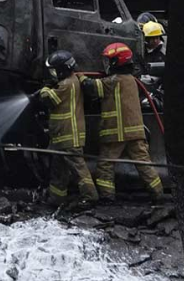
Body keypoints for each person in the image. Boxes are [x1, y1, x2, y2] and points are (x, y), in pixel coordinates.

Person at [82, 43, 164, 202]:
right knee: (144, 165)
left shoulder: (112, 81)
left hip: (116, 133)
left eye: (108, 61)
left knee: (105, 166)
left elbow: (91, 87)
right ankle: (158, 194)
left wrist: (81, 77)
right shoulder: (132, 80)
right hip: (136, 132)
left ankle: (107, 197)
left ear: (116, 62)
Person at [33, 51, 99, 205]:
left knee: (78, 170)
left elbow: (49, 99)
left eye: (54, 71)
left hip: (69, 136)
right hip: (61, 137)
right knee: (59, 171)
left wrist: (45, 88)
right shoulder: (71, 81)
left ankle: (90, 197)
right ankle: (56, 198)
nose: (53, 74)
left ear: (63, 69)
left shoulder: (67, 84)